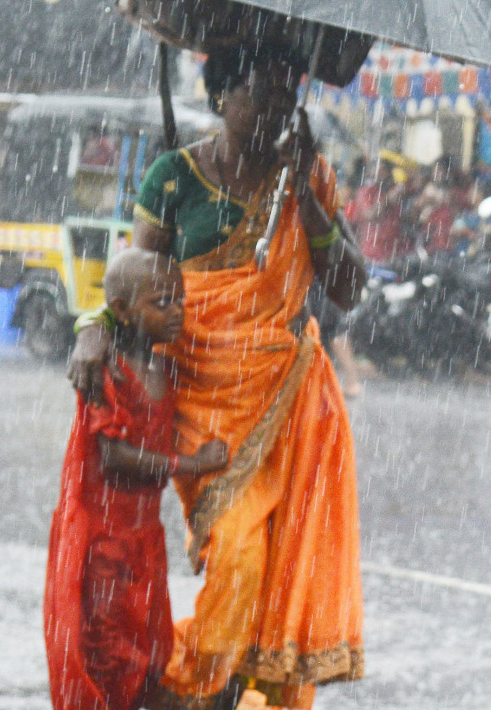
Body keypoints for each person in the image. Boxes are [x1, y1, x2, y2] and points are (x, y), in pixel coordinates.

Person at [68, 41, 368, 710]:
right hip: (202, 398)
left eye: (288, 93)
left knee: (280, 568)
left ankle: (245, 692)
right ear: (221, 97)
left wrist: (308, 204)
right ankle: (184, 686)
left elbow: (347, 286)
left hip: (290, 399)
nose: (278, 106)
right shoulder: (174, 177)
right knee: (238, 555)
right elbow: (131, 282)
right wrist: (94, 330)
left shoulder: (308, 178)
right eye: (262, 91)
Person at [45, 249, 228, 710]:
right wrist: (190, 465)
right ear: (122, 310)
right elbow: (114, 455)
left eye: (179, 301)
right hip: (104, 542)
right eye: (161, 303)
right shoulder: (105, 371)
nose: (176, 313)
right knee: (108, 657)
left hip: (144, 538)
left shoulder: (166, 368)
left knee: (150, 652)